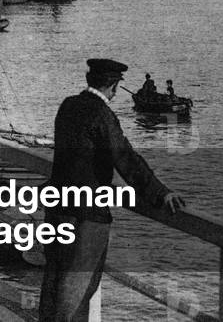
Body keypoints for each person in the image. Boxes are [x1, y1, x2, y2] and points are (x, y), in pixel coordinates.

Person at [38, 59, 185, 322]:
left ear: (89, 79)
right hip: (87, 217)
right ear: (114, 87)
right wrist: (161, 192)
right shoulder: (103, 115)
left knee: (53, 284)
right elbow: (126, 159)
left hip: (57, 209)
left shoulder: (67, 106)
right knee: (77, 295)